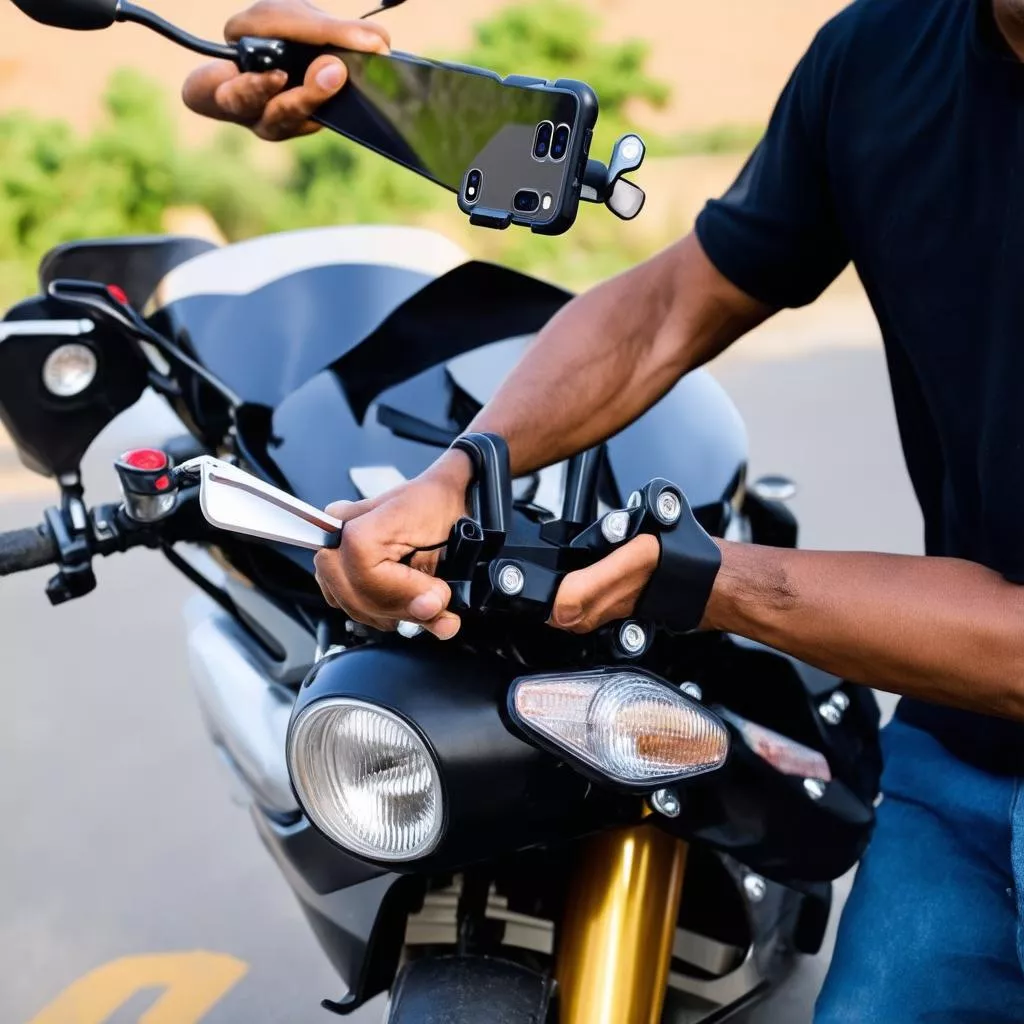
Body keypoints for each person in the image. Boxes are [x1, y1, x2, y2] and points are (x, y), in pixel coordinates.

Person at [184, 0, 1024, 1018]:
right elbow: (674, 302)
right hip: (964, 748)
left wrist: (712, 580)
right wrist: (456, 475)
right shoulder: (879, 55)